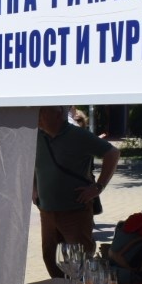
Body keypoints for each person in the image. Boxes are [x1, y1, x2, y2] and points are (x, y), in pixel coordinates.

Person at [34, 105, 120, 273]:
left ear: (58, 114)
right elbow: (31, 162)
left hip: (75, 212)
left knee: (80, 261)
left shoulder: (78, 135)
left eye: (42, 111)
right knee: (51, 259)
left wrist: (98, 187)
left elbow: (113, 153)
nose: (38, 116)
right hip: (47, 211)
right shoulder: (37, 135)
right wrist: (33, 188)